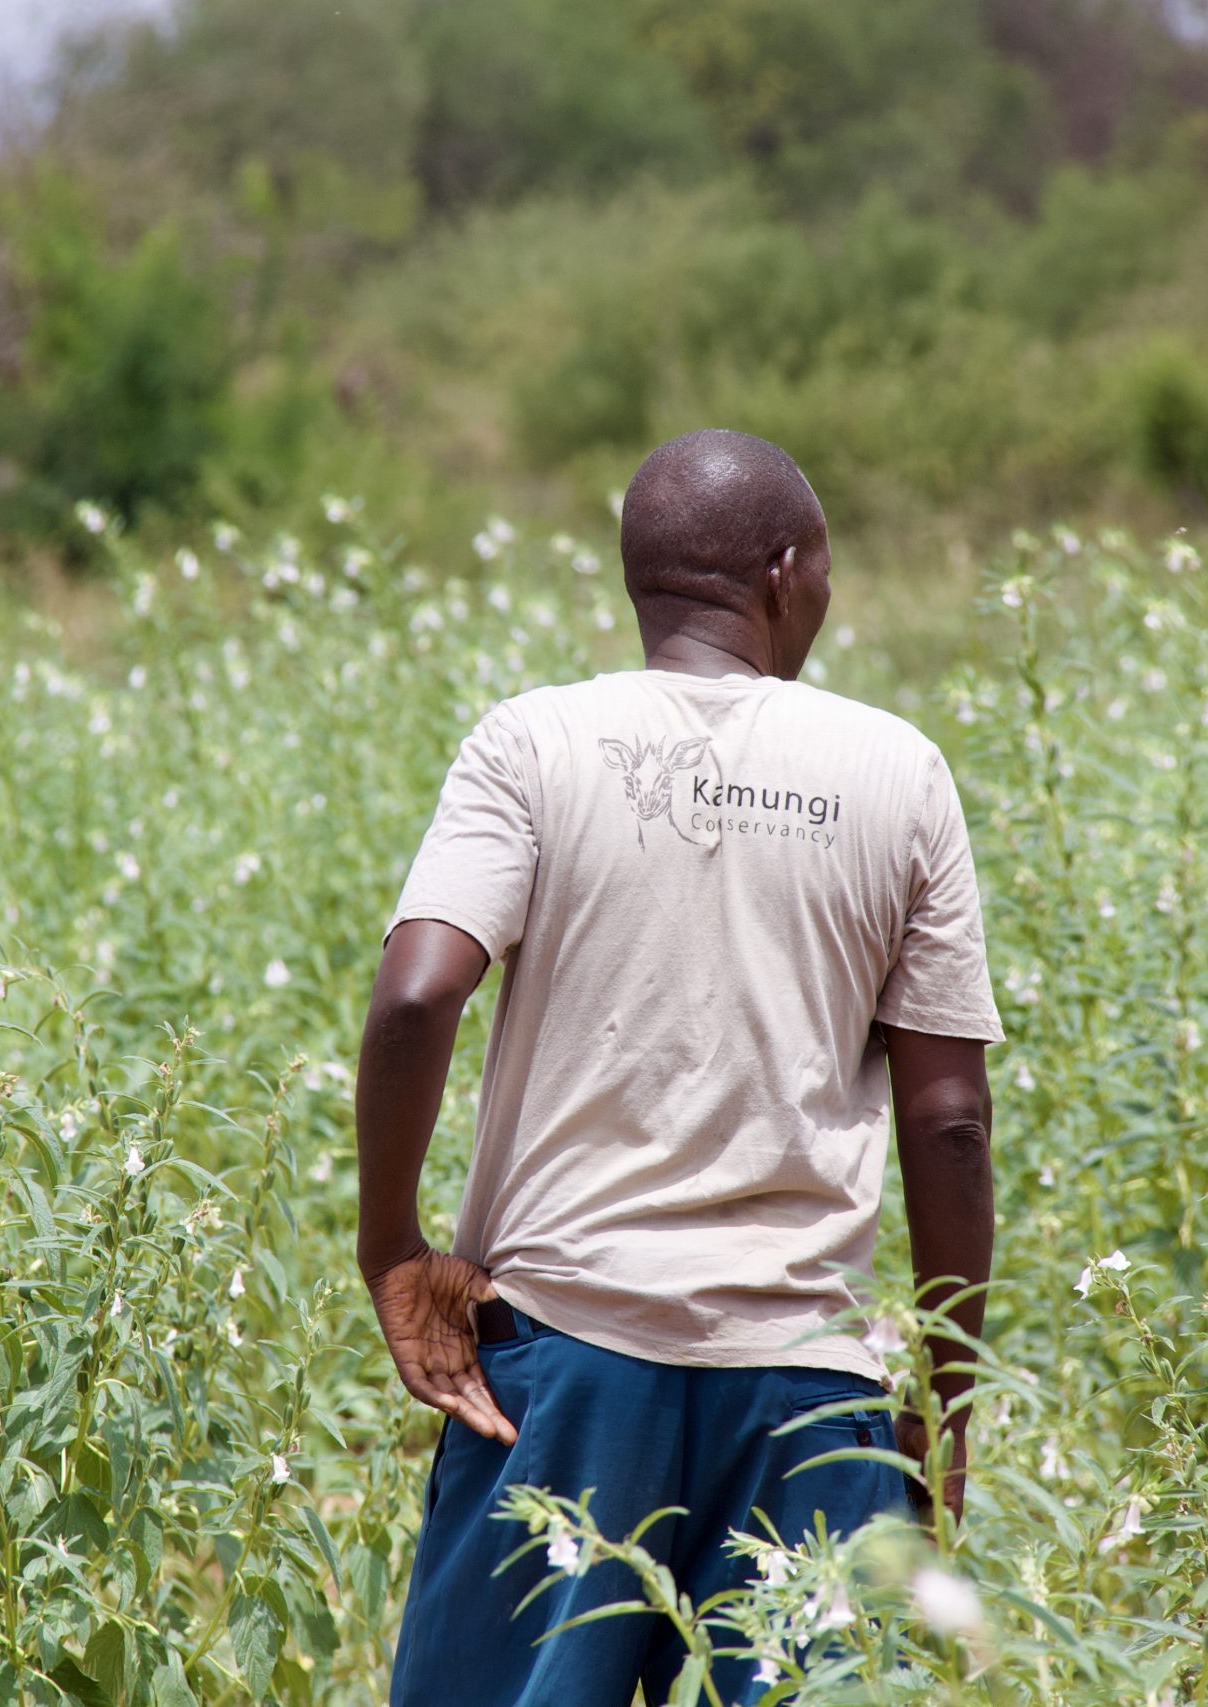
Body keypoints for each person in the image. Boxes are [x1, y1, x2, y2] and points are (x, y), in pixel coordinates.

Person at [357, 428, 1004, 1707]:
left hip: (561, 1364)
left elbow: (418, 990)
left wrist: (392, 1245)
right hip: (808, 1391)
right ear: (782, 571)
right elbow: (949, 1126)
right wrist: (943, 1397)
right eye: (822, 569)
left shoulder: (531, 743)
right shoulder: (896, 771)